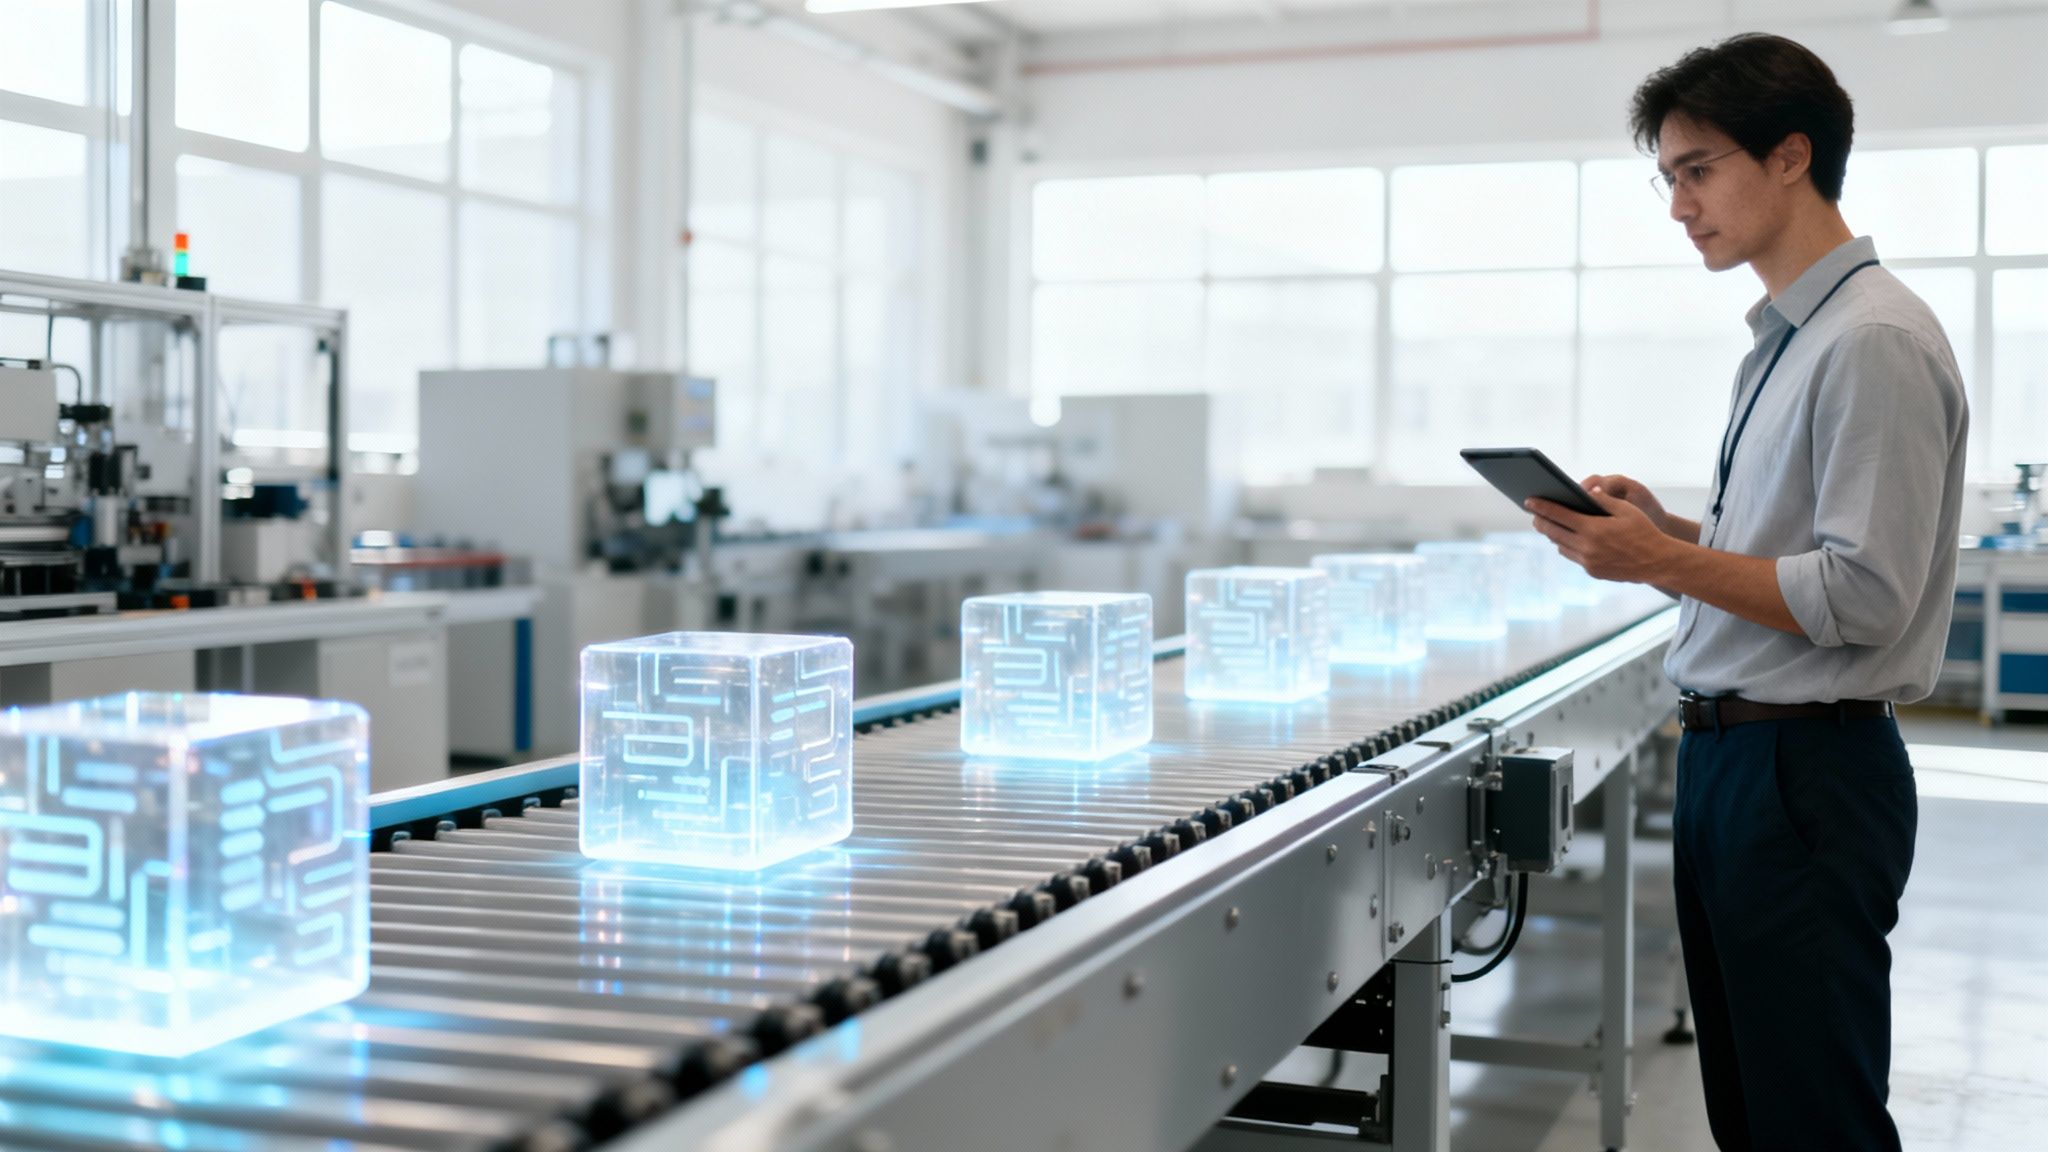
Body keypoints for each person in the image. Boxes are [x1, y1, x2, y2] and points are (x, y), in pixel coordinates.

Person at [1524, 32, 1969, 1152]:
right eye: (1666, 176)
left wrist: (1655, 563)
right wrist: (1666, 529)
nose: (1678, 204)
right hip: (1735, 761)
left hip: (1804, 771)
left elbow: (1862, 593)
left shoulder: (1869, 341)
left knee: (1808, 1116)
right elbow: (1791, 550)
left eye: (1697, 169)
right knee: (1752, 1108)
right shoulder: (1784, 341)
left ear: (1788, 157)